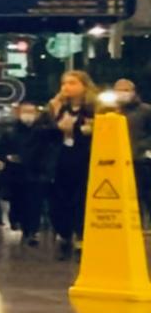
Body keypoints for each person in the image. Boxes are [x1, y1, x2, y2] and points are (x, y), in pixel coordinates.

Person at [51, 71, 98, 262]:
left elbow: (97, 132)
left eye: (72, 83)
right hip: (61, 160)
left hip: (84, 160)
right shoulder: (57, 107)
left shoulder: (93, 109)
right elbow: (44, 132)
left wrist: (76, 130)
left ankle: (82, 239)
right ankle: (64, 236)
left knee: (81, 200)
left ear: (84, 86)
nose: (66, 87)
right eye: (64, 83)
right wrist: (56, 124)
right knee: (59, 200)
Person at [1, 100, 58, 245]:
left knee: (35, 202)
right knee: (17, 202)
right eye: (24, 111)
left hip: (36, 172)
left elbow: (49, 148)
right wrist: (7, 157)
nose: (28, 115)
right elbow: (0, 147)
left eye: (31, 112)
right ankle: (20, 224)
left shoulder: (43, 131)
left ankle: (32, 231)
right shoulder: (10, 130)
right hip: (16, 173)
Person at [110, 78, 151, 226]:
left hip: (139, 160)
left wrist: (143, 146)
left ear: (134, 92)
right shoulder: (110, 112)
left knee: (144, 193)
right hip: (116, 162)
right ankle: (134, 224)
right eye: (118, 90)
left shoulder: (145, 111)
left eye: (126, 90)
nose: (122, 94)